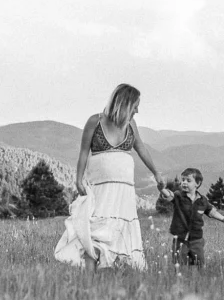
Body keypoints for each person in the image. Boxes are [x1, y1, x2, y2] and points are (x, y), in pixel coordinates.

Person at [54, 84, 167, 271]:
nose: (137, 110)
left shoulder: (131, 124)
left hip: (124, 191)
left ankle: (115, 269)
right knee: (97, 227)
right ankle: (89, 275)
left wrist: (156, 173)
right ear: (124, 104)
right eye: (135, 106)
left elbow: (141, 148)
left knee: (120, 228)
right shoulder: (94, 122)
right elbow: (83, 152)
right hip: (101, 188)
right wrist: (78, 179)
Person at [167, 167, 224, 267]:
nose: (184, 183)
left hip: (196, 239)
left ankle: (199, 280)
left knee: (200, 263)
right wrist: (161, 189)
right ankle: (180, 280)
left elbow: (211, 212)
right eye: (182, 180)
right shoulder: (178, 196)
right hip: (180, 239)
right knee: (179, 264)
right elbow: (169, 195)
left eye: (188, 180)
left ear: (197, 183)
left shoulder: (202, 200)